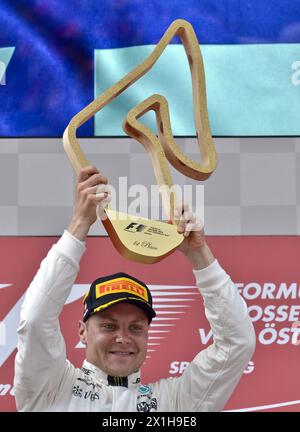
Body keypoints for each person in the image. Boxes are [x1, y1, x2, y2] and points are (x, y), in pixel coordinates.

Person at [14, 166, 255, 412]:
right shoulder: (51, 387)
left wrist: (199, 254)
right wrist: (80, 223)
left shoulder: (173, 403)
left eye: (136, 327)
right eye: (109, 325)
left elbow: (237, 344)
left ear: (147, 335)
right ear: (82, 332)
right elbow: (34, 321)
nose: (123, 338)